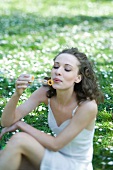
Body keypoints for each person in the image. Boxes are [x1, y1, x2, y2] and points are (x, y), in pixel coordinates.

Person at [0, 47, 103, 170]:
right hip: (55, 156)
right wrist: (17, 94)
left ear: (78, 78)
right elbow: (6, 122)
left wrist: (22, 125)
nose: (58, 71)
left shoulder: (87, 106)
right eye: (56, 66)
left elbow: (56, 144)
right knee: (5, 155)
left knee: (19, 139)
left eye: (67, 69)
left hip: (75, 165)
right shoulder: (46, 92)